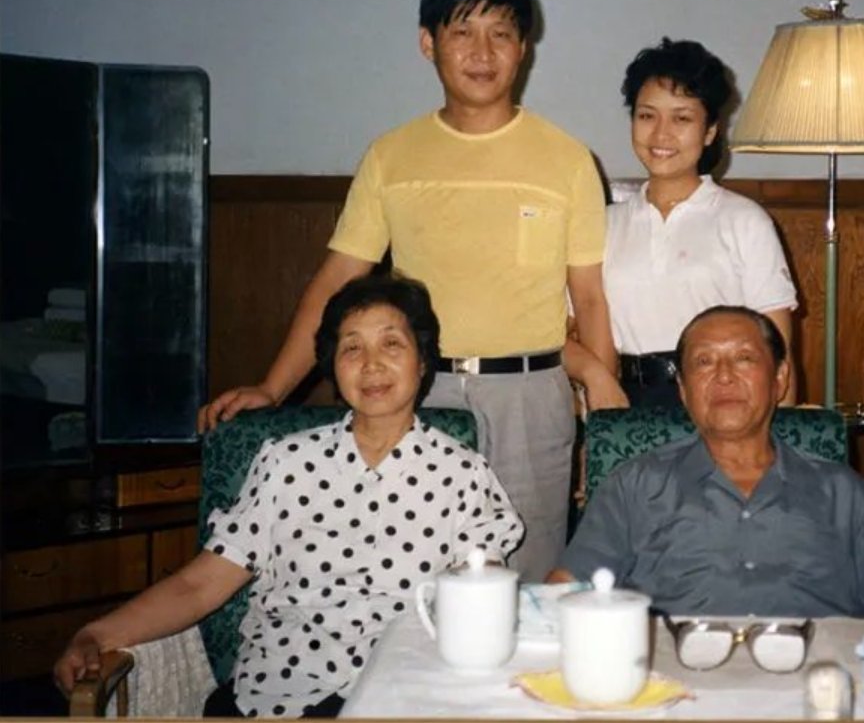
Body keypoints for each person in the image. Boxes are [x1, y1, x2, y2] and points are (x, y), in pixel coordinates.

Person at [198, 0, 616, 582]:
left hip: (531, 400)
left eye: (501, 33)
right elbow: (338, 278)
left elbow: (590, 298)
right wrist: (272, 388)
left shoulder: (567, 159)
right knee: (416, 581)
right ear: (428, 43)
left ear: (523, 49)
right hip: (417, 394)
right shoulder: (391, 155)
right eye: (462, 32)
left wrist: (601, 417)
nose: (482, 52)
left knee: (528, 587)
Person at [56, 274, 523, 718]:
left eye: (392, 344)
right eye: (352, 347)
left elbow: (482, 606)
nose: (371, 363)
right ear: (332, 366)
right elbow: (200, 584)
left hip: (397, 695)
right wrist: (97, 633)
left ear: (423, 363)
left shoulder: (462, 473)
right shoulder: (286, 462)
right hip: (279, 693)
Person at [550, 305, 864, 620]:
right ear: (684, 391)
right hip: (677, 689)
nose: (723, 376)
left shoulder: (842, 490)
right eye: (704, 362)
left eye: (743, 358)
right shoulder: (633, 485)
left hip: (816, 688)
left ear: (779, 380)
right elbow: (564, 590)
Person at [566, 39, 798, 410]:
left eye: (682, 118)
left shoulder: (744, 220)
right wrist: (596, 378)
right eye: (647, 116)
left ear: (709, 132)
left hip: (723, 402)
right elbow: (553, 332)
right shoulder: (604, 224)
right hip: (626, 404)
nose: (661, 134)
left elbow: (778, 357)